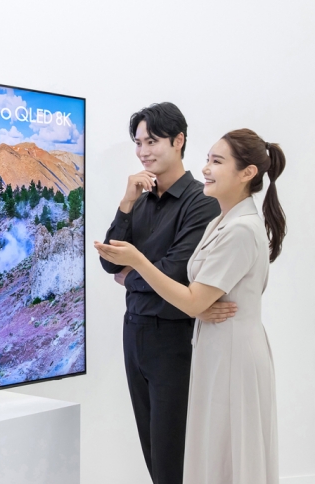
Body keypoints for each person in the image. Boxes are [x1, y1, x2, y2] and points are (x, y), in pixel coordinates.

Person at [96, 128, 284, 484]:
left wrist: (137, 265)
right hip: (203, 343)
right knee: (201, 453)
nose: (207, 168)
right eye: (208, 160)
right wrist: (193, 303)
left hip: (225, 350)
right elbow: (113, 262)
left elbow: (185, 285)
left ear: (247, 173)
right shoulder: (219, 220)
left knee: (222, 452)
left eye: (217, 162)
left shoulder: (231, 223)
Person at [99, 102, 224, 484]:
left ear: (178, 140)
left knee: (173, 453)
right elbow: (109, 263)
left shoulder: (202, 201)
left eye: (151, 141)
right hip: (133, 332)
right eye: (138, 143)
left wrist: (130, 276)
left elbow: (175, 273)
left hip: (173, 337)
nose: (143, 151)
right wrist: (126, 203)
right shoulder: (140, 198)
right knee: (152, 449)